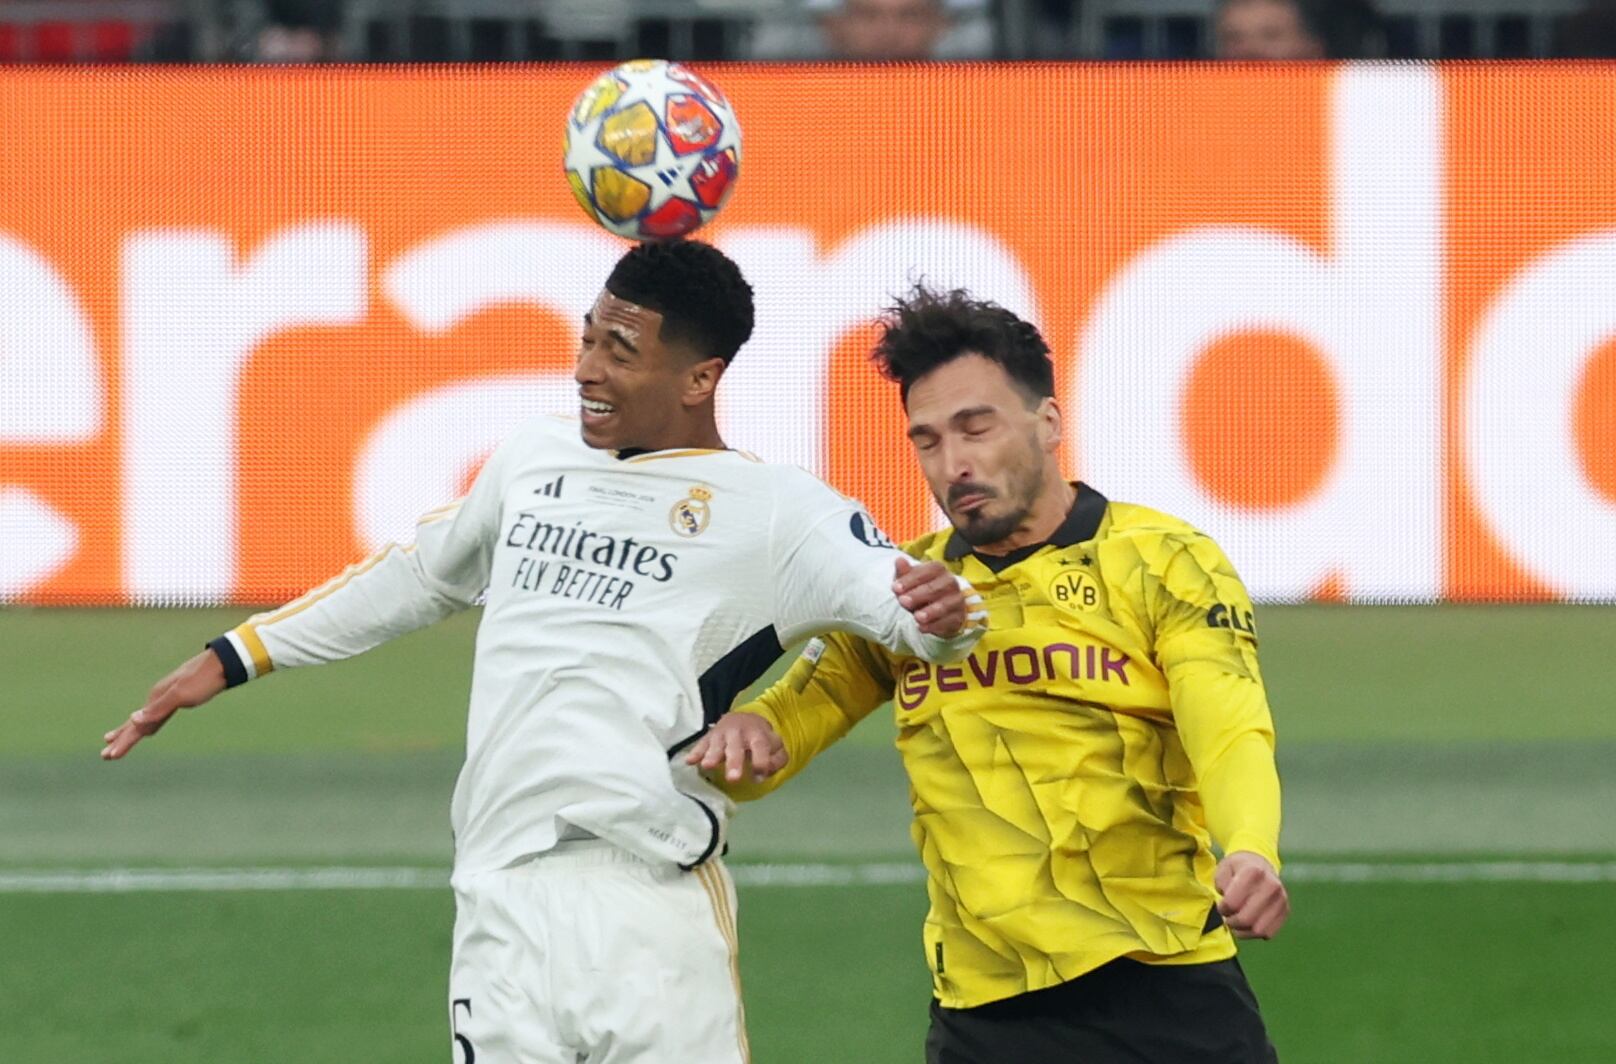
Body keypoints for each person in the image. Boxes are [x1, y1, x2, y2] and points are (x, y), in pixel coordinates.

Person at [101, 242, 985, 1064]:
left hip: (647, 904)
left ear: (699, 378)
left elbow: (897, 601)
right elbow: (417, 574)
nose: (588, 369)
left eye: (620, 350)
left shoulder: (776, 511)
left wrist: (940, 620)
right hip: (501, 901)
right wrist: (237, 654)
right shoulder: (532, 460)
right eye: (588, 337)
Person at [690, 286, 1287, 1063]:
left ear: (1049, 425)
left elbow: (1228, 720)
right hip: (984, 1018)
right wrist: (752, 737)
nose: (954, 464)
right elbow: (801, 709)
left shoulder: (1163, 560)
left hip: (1164, 990)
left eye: (977, 428)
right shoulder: (906, 589)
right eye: (929, 440)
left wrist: (1249, 846)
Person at [1212, 0, 1384, 59]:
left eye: (1271, 36)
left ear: (1314, 48)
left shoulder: (1345, 120)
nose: (1249, 50)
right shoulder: (1197, 124)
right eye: (1233, 38)